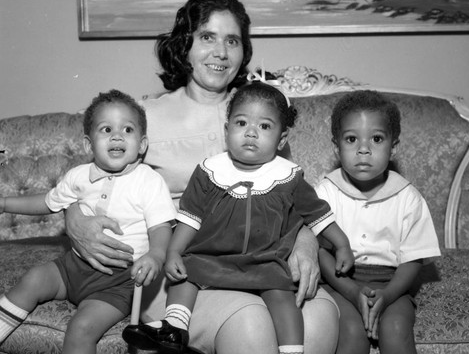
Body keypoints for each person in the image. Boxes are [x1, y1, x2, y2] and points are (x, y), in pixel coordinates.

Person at [65, 0, 340, 354]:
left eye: (232, 41)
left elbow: (291, 196)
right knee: (248, 319)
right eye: (207, 37)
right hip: (181, 272)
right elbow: (91, 182)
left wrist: (304, 243)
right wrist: (73, 219)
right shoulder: (148, 116)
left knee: (318, 317)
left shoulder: (260, 111)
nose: (221, 52)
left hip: (263, 262)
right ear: (185, 44)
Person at [127, 82, 353, 354]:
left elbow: (318, 214)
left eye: (265, 127)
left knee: (284, 296)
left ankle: (292, 348)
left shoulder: (288, 175)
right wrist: (174, 250)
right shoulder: (210, 170)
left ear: (282, 139)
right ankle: (175, 326)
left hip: (266, 261)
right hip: (212, 258)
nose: (251, 132)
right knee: (185, 273)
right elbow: (190, 216)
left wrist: (341, 244)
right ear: (227, 130)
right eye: (242, 122)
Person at [0, 90, 177, 353]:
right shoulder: (78, 176)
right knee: (33, 279)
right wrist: (4, 203)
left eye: (127, 129)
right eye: (106, 129)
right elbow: (48, 201)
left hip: (117, 282)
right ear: (88, 144)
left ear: (141, 144)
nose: (117, 136)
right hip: (73, 266)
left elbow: (161, 225)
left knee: (81, 328)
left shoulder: (148, 180)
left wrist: (156, 254)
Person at [315, 90, 441, 354]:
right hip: (340, 283)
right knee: (350, 332)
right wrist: (350, 291)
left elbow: (412, 259)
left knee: (395, 329)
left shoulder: (408, 197)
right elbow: (320, 252)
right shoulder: (325, 192)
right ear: (337, 147)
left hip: (391, 282)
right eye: (351, 139)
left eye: (376, 139)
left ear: (393, 147)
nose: (363, 149)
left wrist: (390, 294)